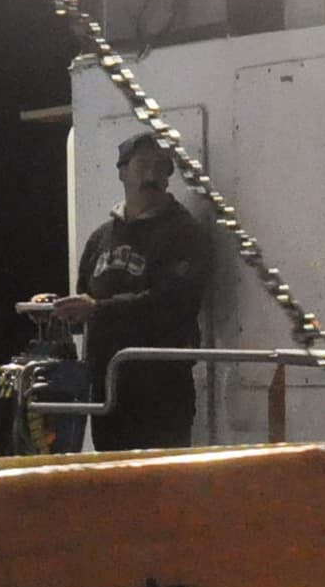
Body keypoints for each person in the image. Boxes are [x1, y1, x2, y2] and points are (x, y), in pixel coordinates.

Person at [26, 133, 211, 451]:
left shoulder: (185, 233)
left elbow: (173, 303)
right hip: (107, 393)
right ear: (122, 171)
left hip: (161, 393)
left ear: (169, 175)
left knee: (161, 489)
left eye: (160, 166)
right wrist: (54, 311)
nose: (151, 175)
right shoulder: (101, 238)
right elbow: (84, 311)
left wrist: (97, 308)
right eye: (142, 165)